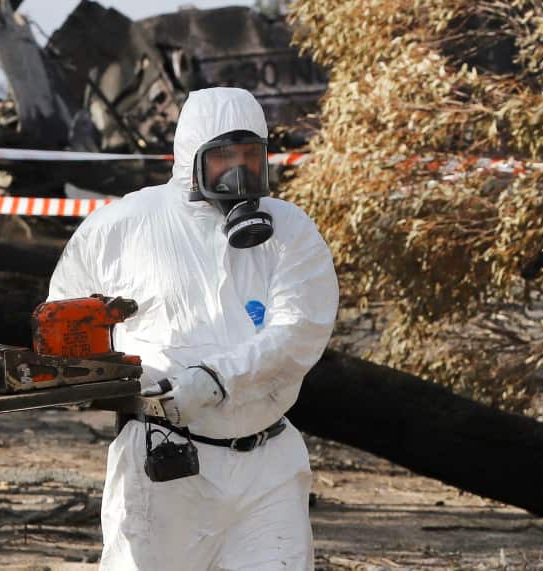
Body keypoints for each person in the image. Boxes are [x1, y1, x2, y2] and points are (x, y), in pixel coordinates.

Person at [47, 87, 339, 570]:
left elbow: (299, 330)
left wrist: (216, 379)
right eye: (224, 157)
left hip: (268, 468)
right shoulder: (122, 227)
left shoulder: (289, 230)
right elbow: (65, 321)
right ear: (191, 159)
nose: (239, 170)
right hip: (164, 462)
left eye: (251, 155)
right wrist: (102, 377)